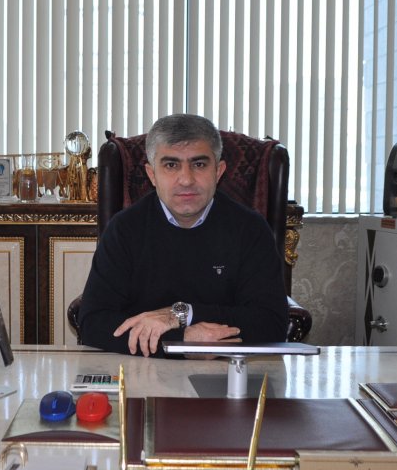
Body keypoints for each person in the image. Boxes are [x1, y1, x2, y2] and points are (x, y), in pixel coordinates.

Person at [77, 114, 289, 357]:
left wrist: (182, 314)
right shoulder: (123, 229)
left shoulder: (251, 229)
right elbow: (93, 324)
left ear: (218, 171)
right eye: (171, 165)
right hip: (144, 370)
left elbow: (272, 325)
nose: (186, 180)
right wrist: (183, 340)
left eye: (199, 165)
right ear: (152, 174)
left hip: (227, 370)